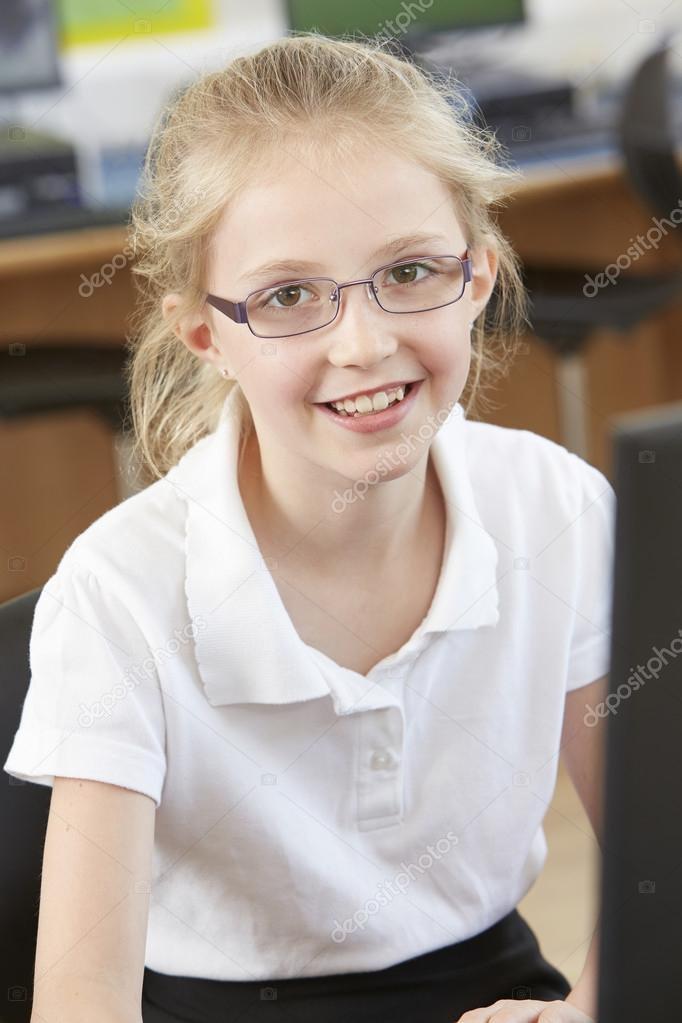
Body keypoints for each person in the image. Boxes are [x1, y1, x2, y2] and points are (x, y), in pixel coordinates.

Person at [4, 32, 613, 1023]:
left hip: (482, 979)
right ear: (206, 332)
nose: (364, 344)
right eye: (289, 296)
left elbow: (657, 868)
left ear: (480, 277)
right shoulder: (119, 591)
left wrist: (582, 1015)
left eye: (411, 272)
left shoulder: (557, 510)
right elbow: (81, 1003)